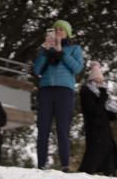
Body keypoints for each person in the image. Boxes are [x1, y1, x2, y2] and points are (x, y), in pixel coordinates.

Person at [32, 20, 84, 171]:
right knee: (43, 128)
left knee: (62, 128)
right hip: (46, 90)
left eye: (62, 29)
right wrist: (45, 50)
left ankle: (65, 165)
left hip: (64, 91)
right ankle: (41, 164)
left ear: (68, 33)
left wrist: (60, 51)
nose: (58, 31)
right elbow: (36, 71)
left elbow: (77, 68)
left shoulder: (74, 49)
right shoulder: (45, 50)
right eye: (56, 29)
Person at [78, 62, 117, 176]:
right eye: (96, 81)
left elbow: (109, 115)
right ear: (91, 81)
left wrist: (113, 111)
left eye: (101, 81)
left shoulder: (103, 95)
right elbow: (95, 111)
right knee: (94, 152)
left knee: (108, 151)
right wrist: (103, 96)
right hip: (94, 128)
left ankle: (110, 173)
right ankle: (86, 173)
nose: (100, 83)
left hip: (105, 128)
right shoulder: (86, 93)